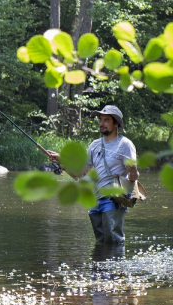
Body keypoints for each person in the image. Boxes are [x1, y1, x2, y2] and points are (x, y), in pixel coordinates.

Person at [45, 105, 138, 245]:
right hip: (96, 201)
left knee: (113, 242)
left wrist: (132, 170)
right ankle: (99, 267)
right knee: (100, 243)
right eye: (100, 120)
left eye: (106, 120)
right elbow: (82, 174)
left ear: (116, 124)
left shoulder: (125, 144)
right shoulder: (94, 145)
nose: (101, 123)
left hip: (113, 200)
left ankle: (117, 267)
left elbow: (133, 178)